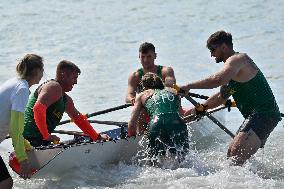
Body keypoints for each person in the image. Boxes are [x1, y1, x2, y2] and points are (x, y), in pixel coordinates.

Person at [180, 30, 281, 165]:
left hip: (264, 114)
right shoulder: (233, 71)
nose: (211, 54)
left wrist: (189, 86)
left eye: (212, 49)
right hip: (255, 116)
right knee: (231, 155)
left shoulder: (238, 59)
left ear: (224, 47)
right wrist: (200, 109)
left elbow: (218, 80)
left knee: (235, 158)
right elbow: (221, 97)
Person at [23, 60, 109, 147]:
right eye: (74, 78)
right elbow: (37, 109)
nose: (76, 82)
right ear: (63, 75)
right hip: (30, 138)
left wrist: (97, 137)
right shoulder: (54, 87)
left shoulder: (66, 100)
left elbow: (79, 119)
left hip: (38, 139)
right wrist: (46, 136)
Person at [0, 54, 44, 188]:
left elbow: (15, 129)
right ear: (36, 71)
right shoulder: (22, 90)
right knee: (6, 183)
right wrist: (23, 160)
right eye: (42, 70)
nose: (43, 74)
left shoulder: (14, 82)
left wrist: (28, 147)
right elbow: (15, 130)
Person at [128, 73, 189, 163]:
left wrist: (132, 137)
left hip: (156, 126)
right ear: (161, 82)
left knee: (154, 163)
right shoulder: (173, 90)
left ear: (144, 87)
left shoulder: (142, 95)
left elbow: (132, 123)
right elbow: (181, 114)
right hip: (177, 123)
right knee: (183, 160)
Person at [125, 42, 177, 132]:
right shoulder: (135, 76)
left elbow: (171, 86)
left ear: (155, 56)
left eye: (149, 56)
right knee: (140, 112)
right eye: (143, 57)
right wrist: (133, 100)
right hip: (146, 110)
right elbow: (128, 96)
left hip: (165, 105)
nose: (145, 60)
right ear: (139, 57)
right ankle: (139, 136)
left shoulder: (166, 71)